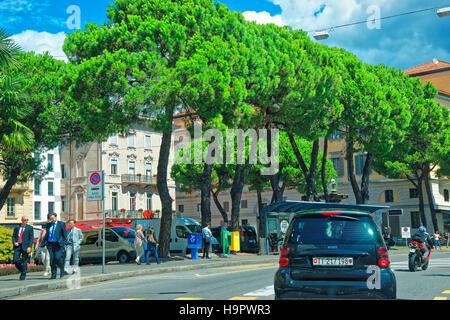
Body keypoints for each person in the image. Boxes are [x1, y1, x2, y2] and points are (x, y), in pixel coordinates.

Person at [41, 213, 67, 279]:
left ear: (56, 217)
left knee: (58, 258)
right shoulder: (48, 225)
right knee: (52, 260)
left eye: (52, 218)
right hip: (50, 244)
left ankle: (62, 270)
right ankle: (53, 274)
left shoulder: (61, 224)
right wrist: (43, 243)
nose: (51, 220)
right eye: (50, 219)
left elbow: (65, 235)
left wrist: (63, 243)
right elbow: (47, 235)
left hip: (58, 244)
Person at [12, 216, 34, 280]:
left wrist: (29, 247)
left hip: (25, 246)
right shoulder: (17, 227)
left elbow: (31, 238)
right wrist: (14, 242)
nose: (26, 221)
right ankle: (23, 270)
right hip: (17, 246)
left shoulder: (30, 228)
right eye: (25, 220)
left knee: (24, 261)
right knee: (15, 260)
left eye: (27, 220)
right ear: (22, 220)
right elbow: (13, 236)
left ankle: (23, 275)